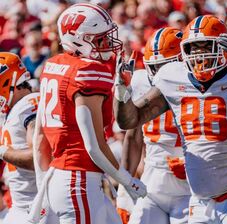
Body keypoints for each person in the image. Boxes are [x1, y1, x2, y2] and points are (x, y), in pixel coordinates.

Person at [114, 15, 227, 224]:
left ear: (224, 47)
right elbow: (131, 120)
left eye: (205, 46)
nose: (199, 54)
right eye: (193, 48)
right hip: (199, 200)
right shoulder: (172, 77)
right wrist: (121, 92)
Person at [29, 3, 146, 224]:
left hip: (60, 178)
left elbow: (40, 139)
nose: (107, 44)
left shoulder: (53, 65)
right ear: (79, 38)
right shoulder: (89, 70)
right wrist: (127, 181)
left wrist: (44, 182)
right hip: (78, 181)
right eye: (100, 38)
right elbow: (93, 144)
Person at [116, 27, 191, 224]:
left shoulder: (196, 85)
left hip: (191, 186)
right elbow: (132, 138)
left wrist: (192, 161)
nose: (159, 74)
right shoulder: (141, 80)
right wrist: (124, 189)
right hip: (153, 182)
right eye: (155, 67)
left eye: (165, 67)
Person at [0, 52, 56, 224]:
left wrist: (2, 151)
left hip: (36, 208)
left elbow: (39, 157)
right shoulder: (17, 108)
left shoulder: (28, 104)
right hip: (23, 206)